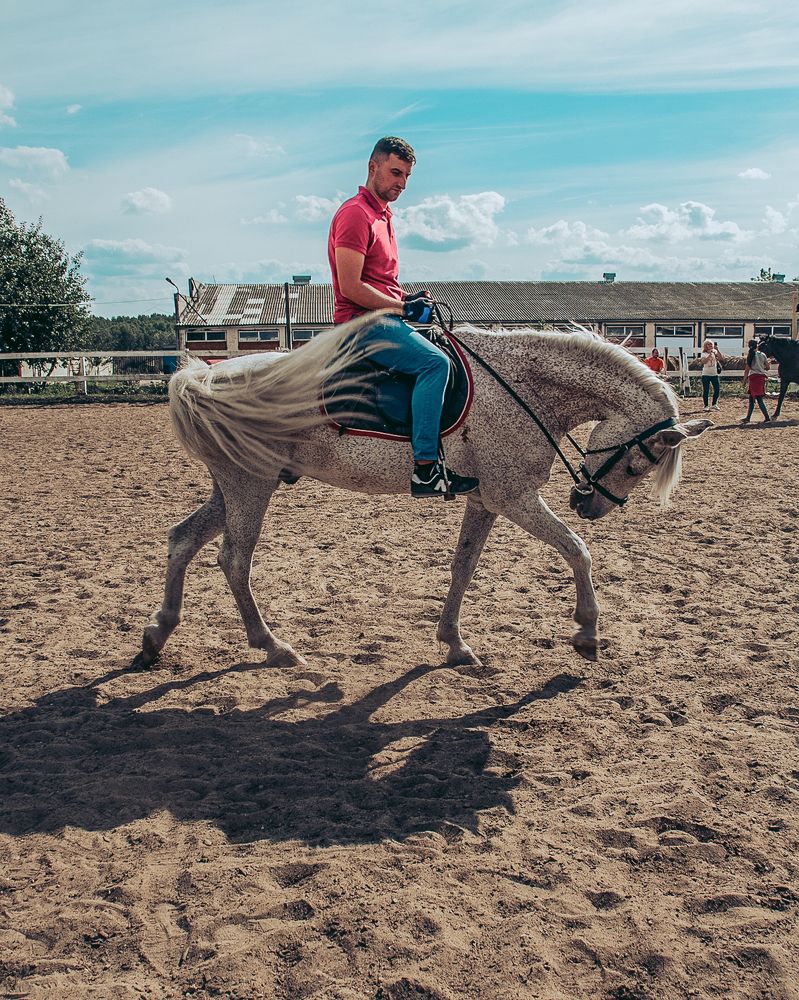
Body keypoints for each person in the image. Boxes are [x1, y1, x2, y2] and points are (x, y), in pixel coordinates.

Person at [328, 136, 479, 498]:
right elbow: (351, 287)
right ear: (373, 167)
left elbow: (377, 281)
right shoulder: (355, 214)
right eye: (396, 173)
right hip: (361, 324)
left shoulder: (383, 216)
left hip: (384, 318)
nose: (403, 183)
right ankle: (426, 469)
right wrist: (401, 308)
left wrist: (406, 298)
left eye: (407, 176)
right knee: (435, 364)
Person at [742, 339, 772, 423]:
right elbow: (767, 368)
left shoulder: (750, 355)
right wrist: (766, 364)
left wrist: (744, 380)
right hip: (760, 378)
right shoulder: (762, 355)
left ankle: (766, 417)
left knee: (754, 398)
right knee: (756, 398)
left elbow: (747, 369)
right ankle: (750, 417)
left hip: (753, 378)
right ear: (757, 345)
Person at [700, 339, 723, 411]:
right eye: (708, 344)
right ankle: (706, 405)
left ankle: (714, 404)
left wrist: (717, 350)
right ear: (705, 346)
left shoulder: (715, 352)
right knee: (706, 390)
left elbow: (720, 358)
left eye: (711, 344)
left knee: (717, 389)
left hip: (714, 374)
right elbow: (703, 362)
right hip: (706, 374)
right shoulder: (703, 354)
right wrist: (709, 355)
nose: (710, 345)